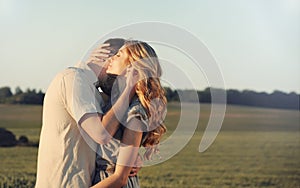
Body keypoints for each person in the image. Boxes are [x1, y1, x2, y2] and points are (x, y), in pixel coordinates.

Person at [35, 38, 138, 187]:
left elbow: (103, 145)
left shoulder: (95, 92)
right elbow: (101, 134)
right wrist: (129, 90)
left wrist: (128, 160)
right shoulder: (73, 78)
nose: (125, 77)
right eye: (126, 69)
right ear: (110, 58)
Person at [91, 40, 167, 188]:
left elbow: (120, 178)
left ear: (132, 67)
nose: (111, 58)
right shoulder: (115, 101)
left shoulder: (135, 114)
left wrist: (129, 89)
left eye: (118, 55)